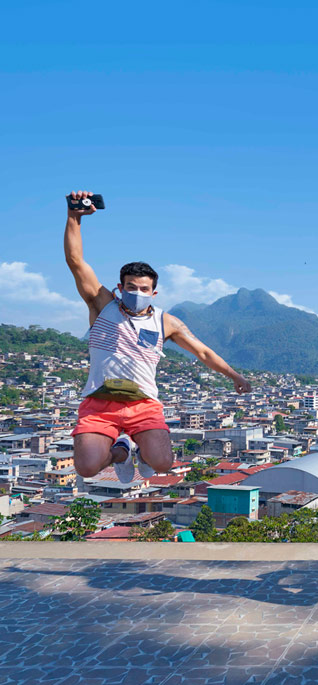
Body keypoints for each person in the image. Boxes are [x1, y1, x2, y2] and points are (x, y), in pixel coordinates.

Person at [65, 189, 251, 483]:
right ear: (119, 287)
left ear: (153, 293)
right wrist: (75, 217)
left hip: (142, 403)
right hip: (100, 402)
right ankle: (123, 450)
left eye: (142, 289)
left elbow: (203, 352)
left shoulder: (166, 321)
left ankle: (140, 450)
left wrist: (235, 376)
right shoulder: (102, 305)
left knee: (163, 464)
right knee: (87, 467)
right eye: (130, 286)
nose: (135, 293)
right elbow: (76, 262)